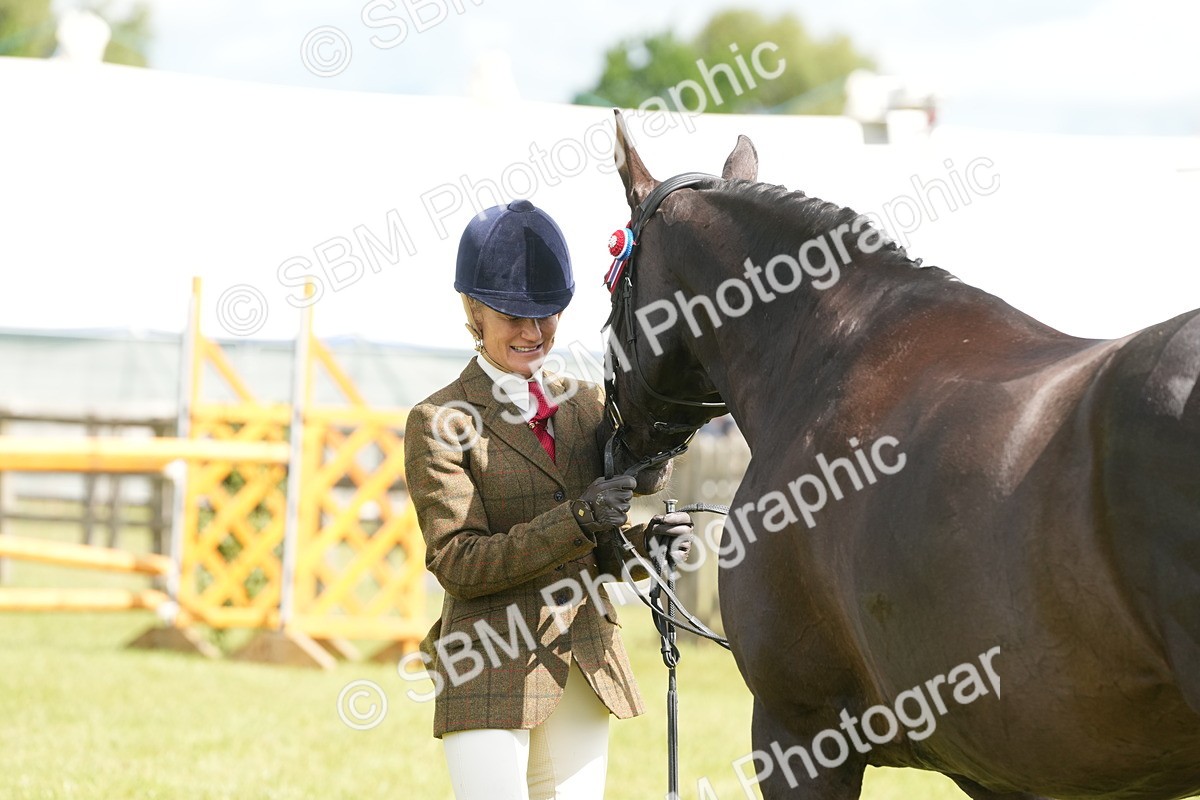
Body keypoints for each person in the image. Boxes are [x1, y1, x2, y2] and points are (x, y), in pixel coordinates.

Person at [404, 199, 695, 800]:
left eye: (547, 314)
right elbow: (459, 564)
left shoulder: (588, 403)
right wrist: (579, 517)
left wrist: (646, 550)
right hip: (487, 661)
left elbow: (599, 553)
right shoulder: (439, 420)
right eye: (513, 316)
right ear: (474, 313)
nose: (533, 333)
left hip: (584, 658)